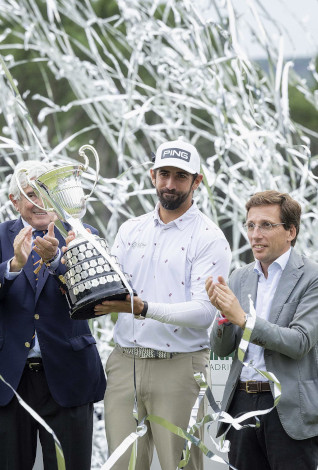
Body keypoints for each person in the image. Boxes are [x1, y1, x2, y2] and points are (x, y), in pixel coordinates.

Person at [93, 139, 232, 470]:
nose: (170, 184)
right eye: (164, 174)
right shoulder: (130, 230)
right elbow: (111, 288)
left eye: (181, 176)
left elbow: (204, 313)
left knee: (180, 466)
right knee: (122, 466)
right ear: (152, 176)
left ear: (197, 181)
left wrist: (143, 308)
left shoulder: (209, 237)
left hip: (180, 367)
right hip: (125, 363)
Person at [0, 160, 106, 470]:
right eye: (30, 194)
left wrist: (56, 260)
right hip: (10, 378)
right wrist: (14, 266)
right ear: (14, 201)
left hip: (68, 374)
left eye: (45, 192)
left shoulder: (81, 233)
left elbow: (92, 294)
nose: (38, 202)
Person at [206, 190, 318, 470]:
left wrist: (243, 319)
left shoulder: (312, 277)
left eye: (266, 225)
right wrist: (223, 317)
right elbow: (221, 349)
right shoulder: (239, 277)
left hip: (288, 408)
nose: (255, 235)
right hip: (241, 404)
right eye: (251, 225)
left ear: (291, 231)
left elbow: (299, 342)